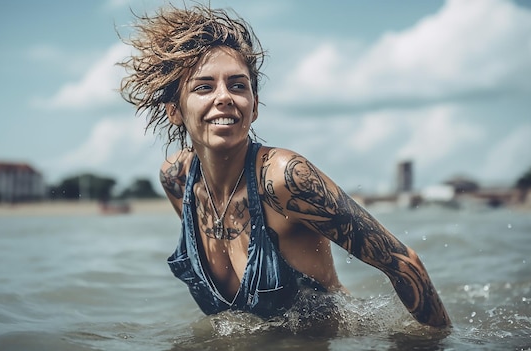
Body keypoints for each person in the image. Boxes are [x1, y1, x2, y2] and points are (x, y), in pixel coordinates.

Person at [119, 4, 451, 328]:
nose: (224, 97)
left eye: (238, 85)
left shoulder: (284, 179)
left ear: (255, 106)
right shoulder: (178, 180)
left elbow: (403, 264)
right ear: (174, 110)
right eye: (204, 87)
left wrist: (439, 344)